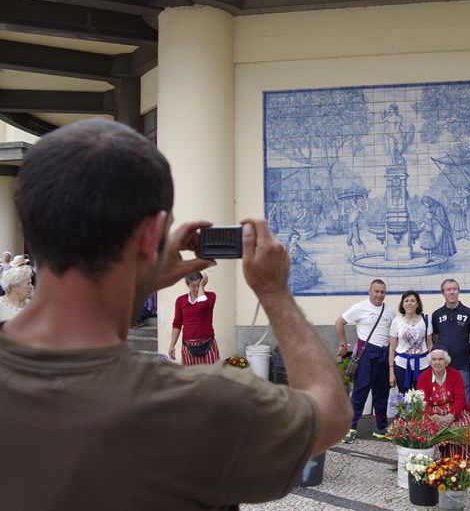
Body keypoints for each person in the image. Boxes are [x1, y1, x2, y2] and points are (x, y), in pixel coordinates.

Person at [0, 118, 352, 510]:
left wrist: (141, 275)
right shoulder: (198, 404)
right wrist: (274, 292)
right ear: (152, 236)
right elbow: (331, 413)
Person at [336, 279, 396, 444]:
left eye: (382, 292)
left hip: (384, 355)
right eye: (376, 291)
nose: (379, 295)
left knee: (382, 393)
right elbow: (339, 322)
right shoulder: (359, 307)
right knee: (359, 393)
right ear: (370, 292)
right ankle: (350, 428)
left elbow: (394, 334)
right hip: (366, 355)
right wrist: (342, 344)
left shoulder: (390, 312)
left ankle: (381, 428)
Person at [417, 347, 470, 462]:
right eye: (434, 359)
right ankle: (434, 457)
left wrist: (451, 416)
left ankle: (458, 459)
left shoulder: (455, 375)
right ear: (430, 362)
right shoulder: (423, 377)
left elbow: (460, 398)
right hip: (433, 414)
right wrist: (434, 416)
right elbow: (423, 401)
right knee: (430, 429)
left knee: (460, 429)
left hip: (454, 412)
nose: (437, 363)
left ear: (446, 362)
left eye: (441, 359)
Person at [432, 279, 470, 402]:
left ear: (458, 291)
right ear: (443, 293)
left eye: (454, 289)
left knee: (463, 397)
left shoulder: (468, 313)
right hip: (441, 366)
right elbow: (434, 338)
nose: (452, 292)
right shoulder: (436, 315)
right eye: (448, 289)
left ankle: (466, 421)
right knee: (443, 398)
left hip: (462, 365)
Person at [169, 272, 218, 365]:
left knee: (211, 376)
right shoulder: (180, 300)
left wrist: (201, 287)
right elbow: (177, 324)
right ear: (188, 285)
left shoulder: (211, 296)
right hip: (188, 347)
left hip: (208, 344)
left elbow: (202, 305)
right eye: (193, 286)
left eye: (199, 285)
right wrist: (172, 345)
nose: (196, 289)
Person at [389, 290, 433, 393]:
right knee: (404, 398)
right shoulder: (396, 322)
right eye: (406, 301)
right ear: (402, 304)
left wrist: (433, 366)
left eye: (413, 301)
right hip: (402, 365)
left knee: (422, 397)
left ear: (417, 304)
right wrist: (391, 372)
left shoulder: (425, 320)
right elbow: (392, 348)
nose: (409, 303)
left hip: (423, 365)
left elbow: (430, 344)